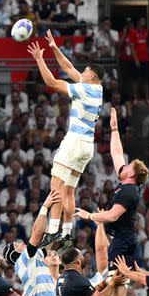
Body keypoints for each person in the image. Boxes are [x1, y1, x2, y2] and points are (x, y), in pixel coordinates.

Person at [75, 108, 149, 296]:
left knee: (113, 285)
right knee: (117, 290)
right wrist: (114, 130)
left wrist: (90, 215)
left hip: (123, 243)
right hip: (124, 241)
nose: (123, 165)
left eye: (127, 166)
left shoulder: (129, 192)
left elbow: (112, 216)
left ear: (131, 174)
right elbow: (117, 154)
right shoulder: (126, 183)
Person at [27, 34, 105, 249]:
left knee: (56, 187)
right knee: (69, 190)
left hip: (74, 142)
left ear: (92, 76)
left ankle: (52, 231)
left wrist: (39, 59)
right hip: (87, 146)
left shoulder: (85, 88)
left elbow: (52, 82)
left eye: (87, 71)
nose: (83, 72)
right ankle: (67, 232)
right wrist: (54, 48)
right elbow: (69, 68)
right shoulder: (97, 89)